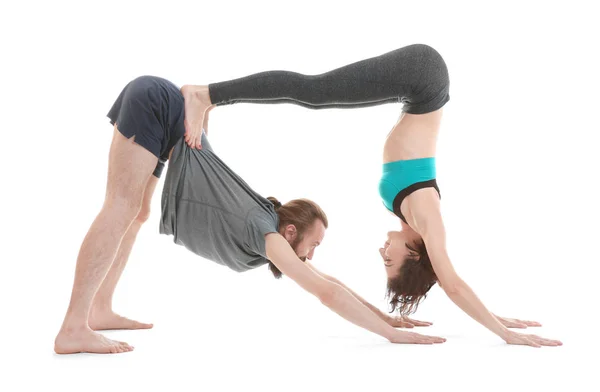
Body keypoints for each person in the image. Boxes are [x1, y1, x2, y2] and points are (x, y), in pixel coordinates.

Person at [180, 43, 562, 348]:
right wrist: (503, 330)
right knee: (315, 92)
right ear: (414, 254)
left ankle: (210, 97)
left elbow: (331, 280)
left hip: (417, 90)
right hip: (423, 77)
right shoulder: (428, 220)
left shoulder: (410, 218)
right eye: (389, 262)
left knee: (316, 94)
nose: (381, 253)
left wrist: (386, 319)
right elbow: (452, 283)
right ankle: (207, 95)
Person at [54, 75, 447, 355]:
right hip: (157, 102)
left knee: (136, 214)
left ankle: (99, 309)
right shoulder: (266, 233)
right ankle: (74, 326)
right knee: (120, 206)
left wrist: (387, 317)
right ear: (290, 232)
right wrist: (386, 334)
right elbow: (324, 291)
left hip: (168, 120)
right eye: (311, 245)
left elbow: (328, 279)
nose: (310, 257)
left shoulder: (269, 231)